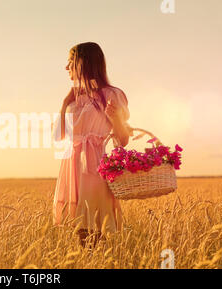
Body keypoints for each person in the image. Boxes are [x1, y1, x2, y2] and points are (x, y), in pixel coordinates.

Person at [52, 42, 134, 249]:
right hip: (72, 167)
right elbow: (58, 136)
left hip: (95, 166)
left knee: (95, 227)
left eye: (70, 62)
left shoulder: (111, 94)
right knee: (80, 229)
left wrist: (115, 119)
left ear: (82, 63)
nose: (66, 67)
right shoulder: (72, 99)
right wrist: (64, 104)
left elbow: (122, 140)